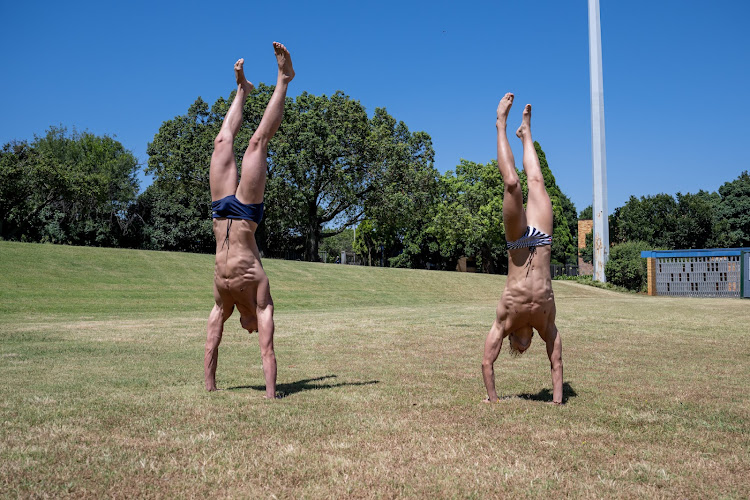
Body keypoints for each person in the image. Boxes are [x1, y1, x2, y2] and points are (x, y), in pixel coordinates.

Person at [204, 42, 295, 398]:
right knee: (224, 140)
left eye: (253, 329)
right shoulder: (258, 301)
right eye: (253, 329)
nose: (251, 331)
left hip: (223, 212)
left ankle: (283, 80)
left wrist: (271, 394)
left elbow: (266, 350)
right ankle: (243, 91)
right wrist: (210, 386)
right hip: (242, 211)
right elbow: (214, 341)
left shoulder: (233, 302)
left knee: (256, 142)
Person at [481, 93, 564, 405]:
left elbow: (487, 362)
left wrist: (493, 398)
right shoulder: (544, 322)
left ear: (514, 342)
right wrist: (557, 399)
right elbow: (556, 361)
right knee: (536, 183)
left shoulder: (504, 321)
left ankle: (501, 124)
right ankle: (525, 134)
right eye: (529, 346)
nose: (526, 344)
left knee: (513, 184)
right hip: (541, 240)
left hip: (518, 243)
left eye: (522, 347)